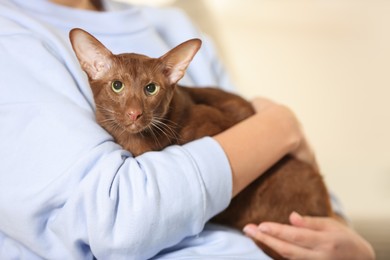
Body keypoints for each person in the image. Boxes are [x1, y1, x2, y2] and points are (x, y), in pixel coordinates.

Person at [0, 0, 374, 259]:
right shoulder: (12, 33)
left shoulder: (173, 24)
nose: (134, 110)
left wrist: (343, 230)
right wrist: (281, 126)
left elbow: (278, 167)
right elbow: (118, 222)